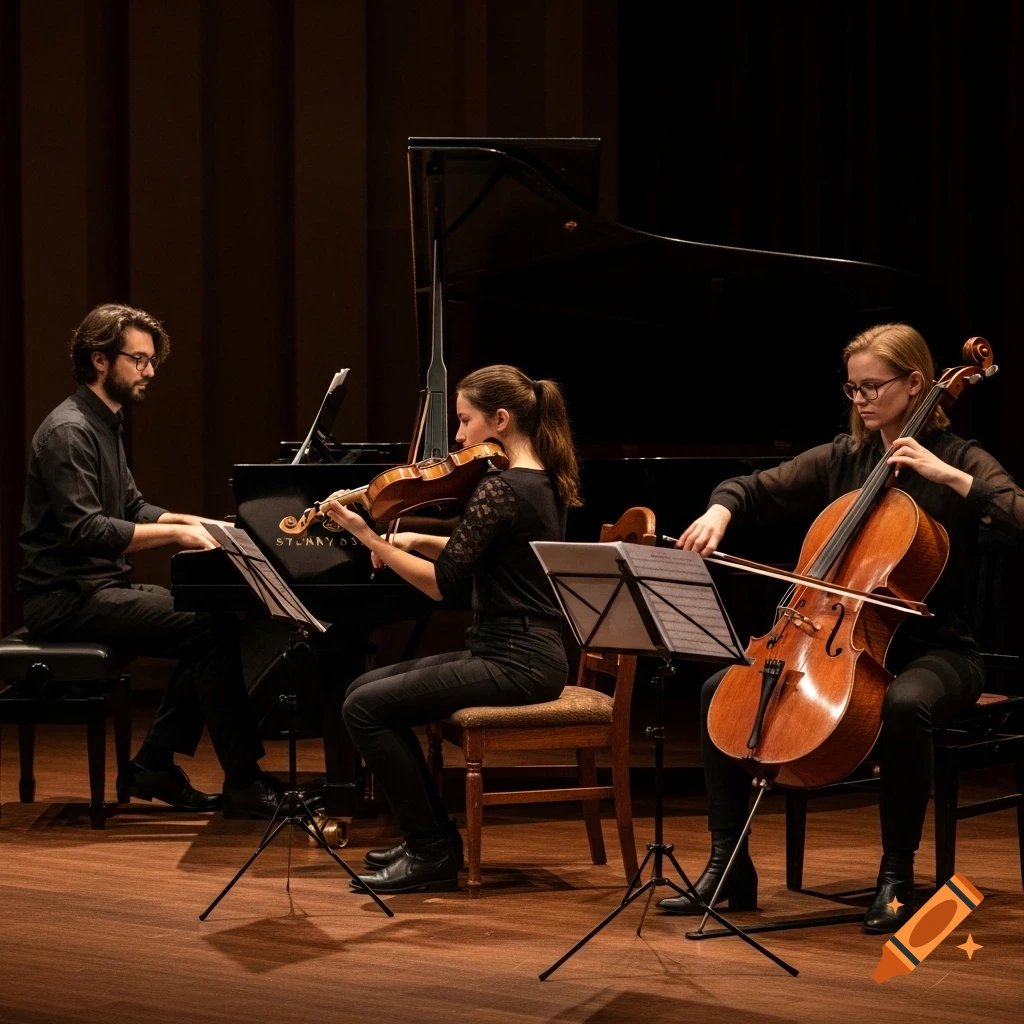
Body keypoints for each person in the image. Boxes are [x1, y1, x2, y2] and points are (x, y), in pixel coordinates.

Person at [657, 322, 1024, 932]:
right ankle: (729, 866)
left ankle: (896, 876)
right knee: (718, 689)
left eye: (872, 387)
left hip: (937, 651)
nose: (861, 401)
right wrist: (720, 510)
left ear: (914, 384)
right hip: (832, 641)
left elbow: (1018, 513)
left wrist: (952, 479)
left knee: (905, 703)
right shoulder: (845, 458)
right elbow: (750, 489)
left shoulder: (959, 457)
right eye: (852, 390)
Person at [321, 364, 580, 894]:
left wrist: (371, 539)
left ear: (500, 420)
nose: (459, 438)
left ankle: (431, 851)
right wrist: (416, 537)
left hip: (517, 660)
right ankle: (432, 837)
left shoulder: (500, 487)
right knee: (362, 691)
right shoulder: (544, 481)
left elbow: (441, 586)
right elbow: (490, 557)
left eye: (465, 423)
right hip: (524, 652)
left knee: (362, 708)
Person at [18, 303, 283, 819]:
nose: (150, 371)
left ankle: (157, 765)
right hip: (64, 599)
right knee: (208, 627)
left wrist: (204, 525)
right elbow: (86, 531)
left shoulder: (103, 424)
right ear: (100, 360)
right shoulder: (69, 432)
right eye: (139, 360)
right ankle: (241, 781)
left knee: (215, 616)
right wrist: (177, 535)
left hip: (98, 588)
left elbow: (133, 508)